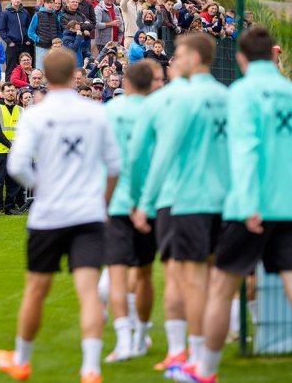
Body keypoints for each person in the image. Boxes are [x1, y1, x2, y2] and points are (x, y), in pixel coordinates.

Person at [175, 27, 292, 383]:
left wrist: (249, 202)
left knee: (222, 289)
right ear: (273, 54)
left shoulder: (240, 93)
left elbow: (245, 150)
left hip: (251, 206)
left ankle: (205, 370)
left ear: (241, 58)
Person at [0, 49, 121, 383]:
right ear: (75, 75)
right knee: (89, 291)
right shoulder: (96, 112)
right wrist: (104, 203)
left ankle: (21, 360)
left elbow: (17, 165)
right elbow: (115, 166)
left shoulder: (36, 114)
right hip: (88, 212)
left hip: (49, 214)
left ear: (44, 77)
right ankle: (91, 368)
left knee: (36, 289)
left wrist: (41, 187)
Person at [132, 33, 229, 376]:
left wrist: (144, 201)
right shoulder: (226, 96)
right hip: (224, 200)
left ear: (192, 58)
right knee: (218, 281)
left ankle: (196, 359)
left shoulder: (182, 98)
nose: (175, 60)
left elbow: (163, 152)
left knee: (188, 280)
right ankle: (202, 356)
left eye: (180, 54)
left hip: (186, 198)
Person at [102, 61, 162, 363]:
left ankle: (125, 340)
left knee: (117, 272)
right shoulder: (157, 112)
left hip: (116, 201)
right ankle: (140, 335)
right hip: (148, 202)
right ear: (152, 83)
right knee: (145, 272)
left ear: (125, 81)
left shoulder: (110, 111)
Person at [0, 82, 21, 217]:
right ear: (2, 93)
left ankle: (9, 207)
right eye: (7, 91)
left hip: (17, 151)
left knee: (13, 181)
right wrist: (10, 145)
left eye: (13, 90)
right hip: (2, 150)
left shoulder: (21, 110)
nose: (10, 93)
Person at [0, 0, 32, 80]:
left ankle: (26, 84)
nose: (17, 0)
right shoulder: (5, 13)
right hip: (12, 45)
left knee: (26, 66)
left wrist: (28, 39)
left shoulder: (25, 12)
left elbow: (29, 27)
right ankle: (9, 85)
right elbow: (1, 30)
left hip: (24, 44)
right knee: (11, 66)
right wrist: (9, 42)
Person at [28, 0, 61, 71]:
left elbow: (59, 31)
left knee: (54, 70)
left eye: (52, 3)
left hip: (54, 48)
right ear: (44, 4)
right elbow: (30, 32)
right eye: (48, 3)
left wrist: (58, 41)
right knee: (41, 69)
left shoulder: (55, 16)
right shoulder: (38, 15)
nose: (50, 5)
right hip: (41, 47)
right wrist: (39, 39)